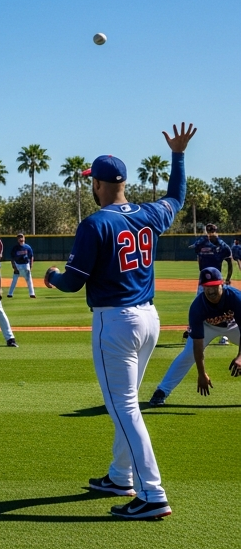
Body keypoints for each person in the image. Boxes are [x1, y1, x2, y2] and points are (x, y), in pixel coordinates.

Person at [44, 122, 195, 521]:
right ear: (123, 182)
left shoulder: (95, 224)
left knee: (124, 408)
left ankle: (152, 494)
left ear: (96, 184)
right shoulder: (149, 213)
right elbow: (176, 197)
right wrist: (177, 155)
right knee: (127, 403)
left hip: (116, 322)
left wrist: (51, 278)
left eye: (90, 181)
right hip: (150, 320)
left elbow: (74, 283)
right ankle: (120, 475)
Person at [149, 268, 241, 405]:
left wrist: (240, 357)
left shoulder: (236, 297)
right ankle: (162, 391)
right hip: (208, 327)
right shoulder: (197, 307)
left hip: (234, 326)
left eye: (214, 286)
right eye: (207, 287)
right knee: (187, 354)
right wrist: (201, 373)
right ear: (202, 287)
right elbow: (197, 345)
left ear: (222, 284)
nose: (211, 291)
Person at [191, 223, 233, 291]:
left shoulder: (221, 245)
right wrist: (228, 278)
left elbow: (229, 261)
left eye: (212, 232)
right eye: (210, 232)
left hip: (212, 279)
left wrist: (228, 279)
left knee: (208, 299)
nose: (210, 234)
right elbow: (230, 262)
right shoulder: (201, 243)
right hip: (208, 279)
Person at [7, 232, 36, 298]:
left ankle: (32, 294)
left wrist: (31, 266)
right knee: (14, 280)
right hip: (18, 265)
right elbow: (12, 258)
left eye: (22, 237)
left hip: (26, 265)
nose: (21, 239)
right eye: (19, 237)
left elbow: (31, 257)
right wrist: (14, 267)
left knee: (29, 280)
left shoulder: (27, 247)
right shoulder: (15, 248)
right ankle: (10, 294)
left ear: (24, 238)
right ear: (17, 239)